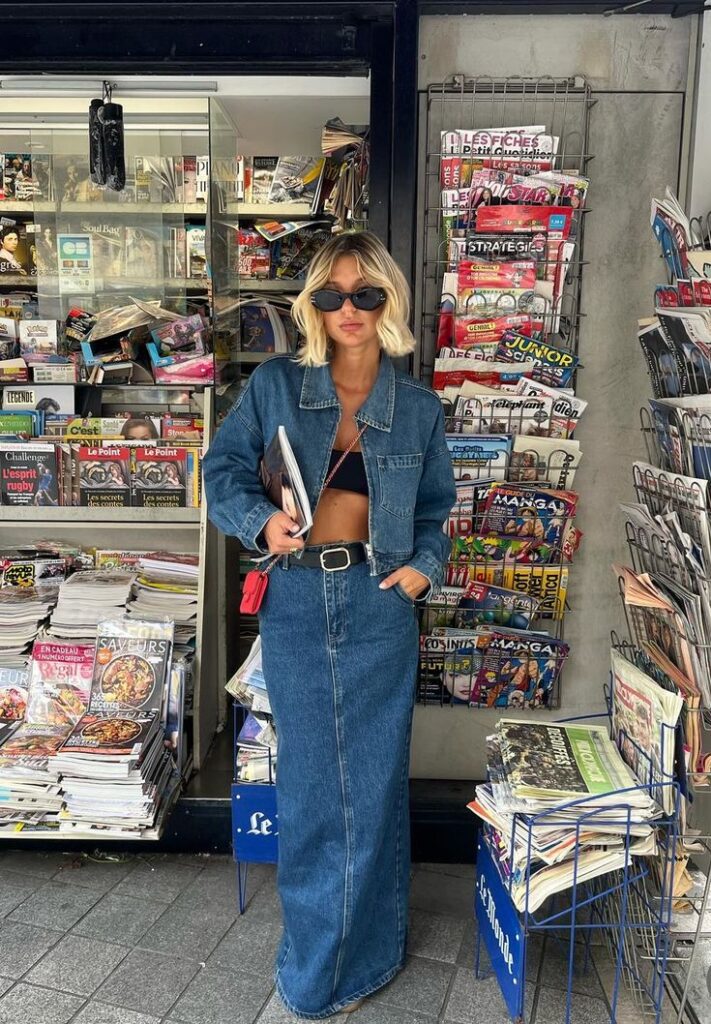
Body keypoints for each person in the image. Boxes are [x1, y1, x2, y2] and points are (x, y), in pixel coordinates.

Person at [203, 231, 456, 1019]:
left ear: (390, 300)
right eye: (331, 295)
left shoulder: (416, 409)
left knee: (375, 783)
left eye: (366, 293)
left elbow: (437, 513)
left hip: (379, 603)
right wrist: (259, 523)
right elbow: (221, 470)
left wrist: (424, 566)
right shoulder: (276, 385)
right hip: (299, 601)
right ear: (311, 306)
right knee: (316, 792)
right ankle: (317, 972)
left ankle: (372, 952)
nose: (349, 309)